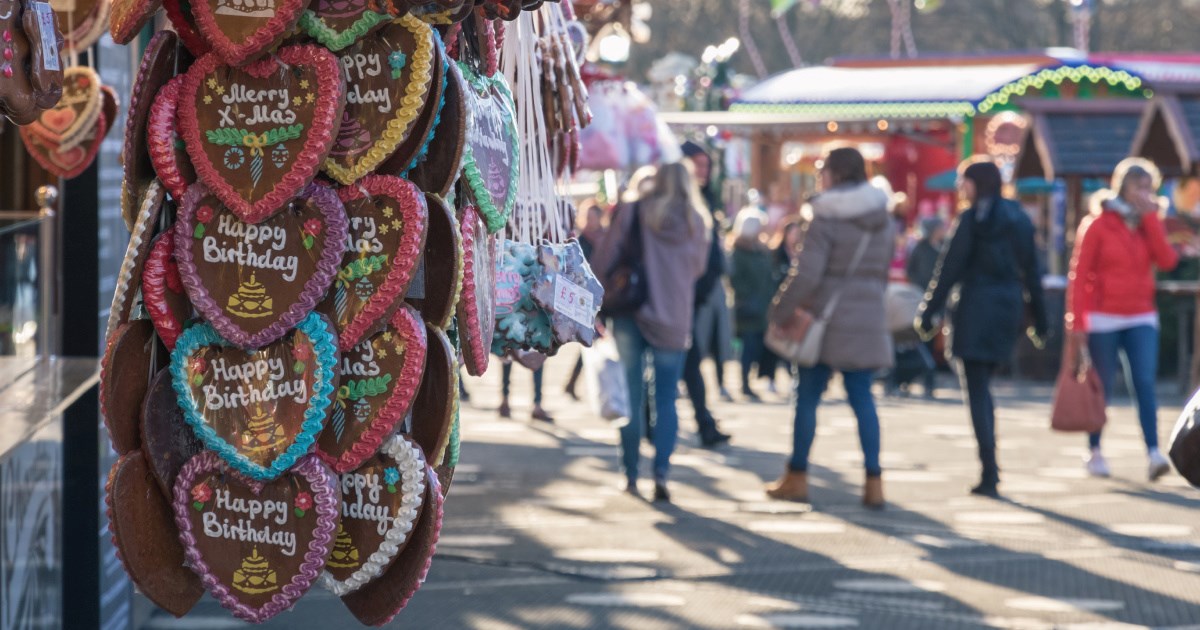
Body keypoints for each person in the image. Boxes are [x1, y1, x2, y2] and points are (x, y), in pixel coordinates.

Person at [765, 147, 894, 508]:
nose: (819, 176)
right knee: (863, 398)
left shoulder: (825, 216)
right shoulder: (881, 217)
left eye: (823, 170)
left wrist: (780, 310)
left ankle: (797, 477)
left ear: (835, 174)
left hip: (825, 319)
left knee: (806, 397)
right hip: (867, 316)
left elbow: (806, 274)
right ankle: (874, 482)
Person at [917, 157, 1048, 498]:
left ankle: (989, 470)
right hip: (1007, 307)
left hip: (974, 306)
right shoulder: (1019, 218)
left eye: (965, 181)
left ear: (977, 184)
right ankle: (990, 467)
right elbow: (1033, 271)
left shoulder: (971, 220)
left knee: (976, 390)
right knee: (984, 386)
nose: (961, 187)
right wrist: (1042, 320)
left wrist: (927, 312)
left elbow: (948, 269)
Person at [599, 163, 711, 502]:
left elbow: (606, 256)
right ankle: (661, 472)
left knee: (630, 395)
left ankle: (630, 473)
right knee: (666, 399)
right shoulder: (697, 221)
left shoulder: (635, 211)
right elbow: (699, 270)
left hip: (633, 309)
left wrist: (595, 294)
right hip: (675, 315)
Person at [1066, 157, 1178, 480]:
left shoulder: (1150, 222)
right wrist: (1077, 323)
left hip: (1141, 314)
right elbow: (1080, 274)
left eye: (1148, 187)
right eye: (1138, 186)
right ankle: (1095, 449)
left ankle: (1154, 452)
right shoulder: (1098, 224)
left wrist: (1152, 221)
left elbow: (1167, 260)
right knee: (1102, 388)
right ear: (1123, 188)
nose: (1144, 192)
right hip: (1103, 317)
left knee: (1144, 382)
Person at [681, 141, 734, 445]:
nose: (702, 171)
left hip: (696, 295)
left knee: (688, 361)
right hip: (677, 295)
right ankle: (704, 424)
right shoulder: (678, 200)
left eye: (706, 165)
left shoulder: (708, 199)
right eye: (696, 165)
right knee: (682, 361)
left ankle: (704, 423)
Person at [564, 199, 608, 400]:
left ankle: (573, 382)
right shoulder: (579, 241)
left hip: (606, 299)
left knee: (594, 341)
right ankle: (575, 383)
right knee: (589, 340)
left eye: (594, 217)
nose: (590, 221)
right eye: (587, 217)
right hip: (585, 299)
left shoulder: (607, 239)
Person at [729, 209, 775, 402]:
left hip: (764, 306)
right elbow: (735, 278)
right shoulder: (738, 251)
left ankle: (756, 379)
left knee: (758, 347)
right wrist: (748, 294)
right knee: (748, 348)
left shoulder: (762, 249)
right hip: (748, 307)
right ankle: (744, 383)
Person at [758, 219, 804, 394]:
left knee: (794, 343)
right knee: (774, 342)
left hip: (797, 305)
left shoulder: (804, 254)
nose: (795, 236)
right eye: (792, 233)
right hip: (777, 301)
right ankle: (769, 377)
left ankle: (794, 377)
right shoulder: (775, 253)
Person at [906, 217, 946, 292]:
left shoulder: (945, 247)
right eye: (940, 228)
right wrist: (918, 283)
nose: (943, 230)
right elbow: (910, 270)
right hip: (920, 290)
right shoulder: (921, 248)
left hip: (939, 290)